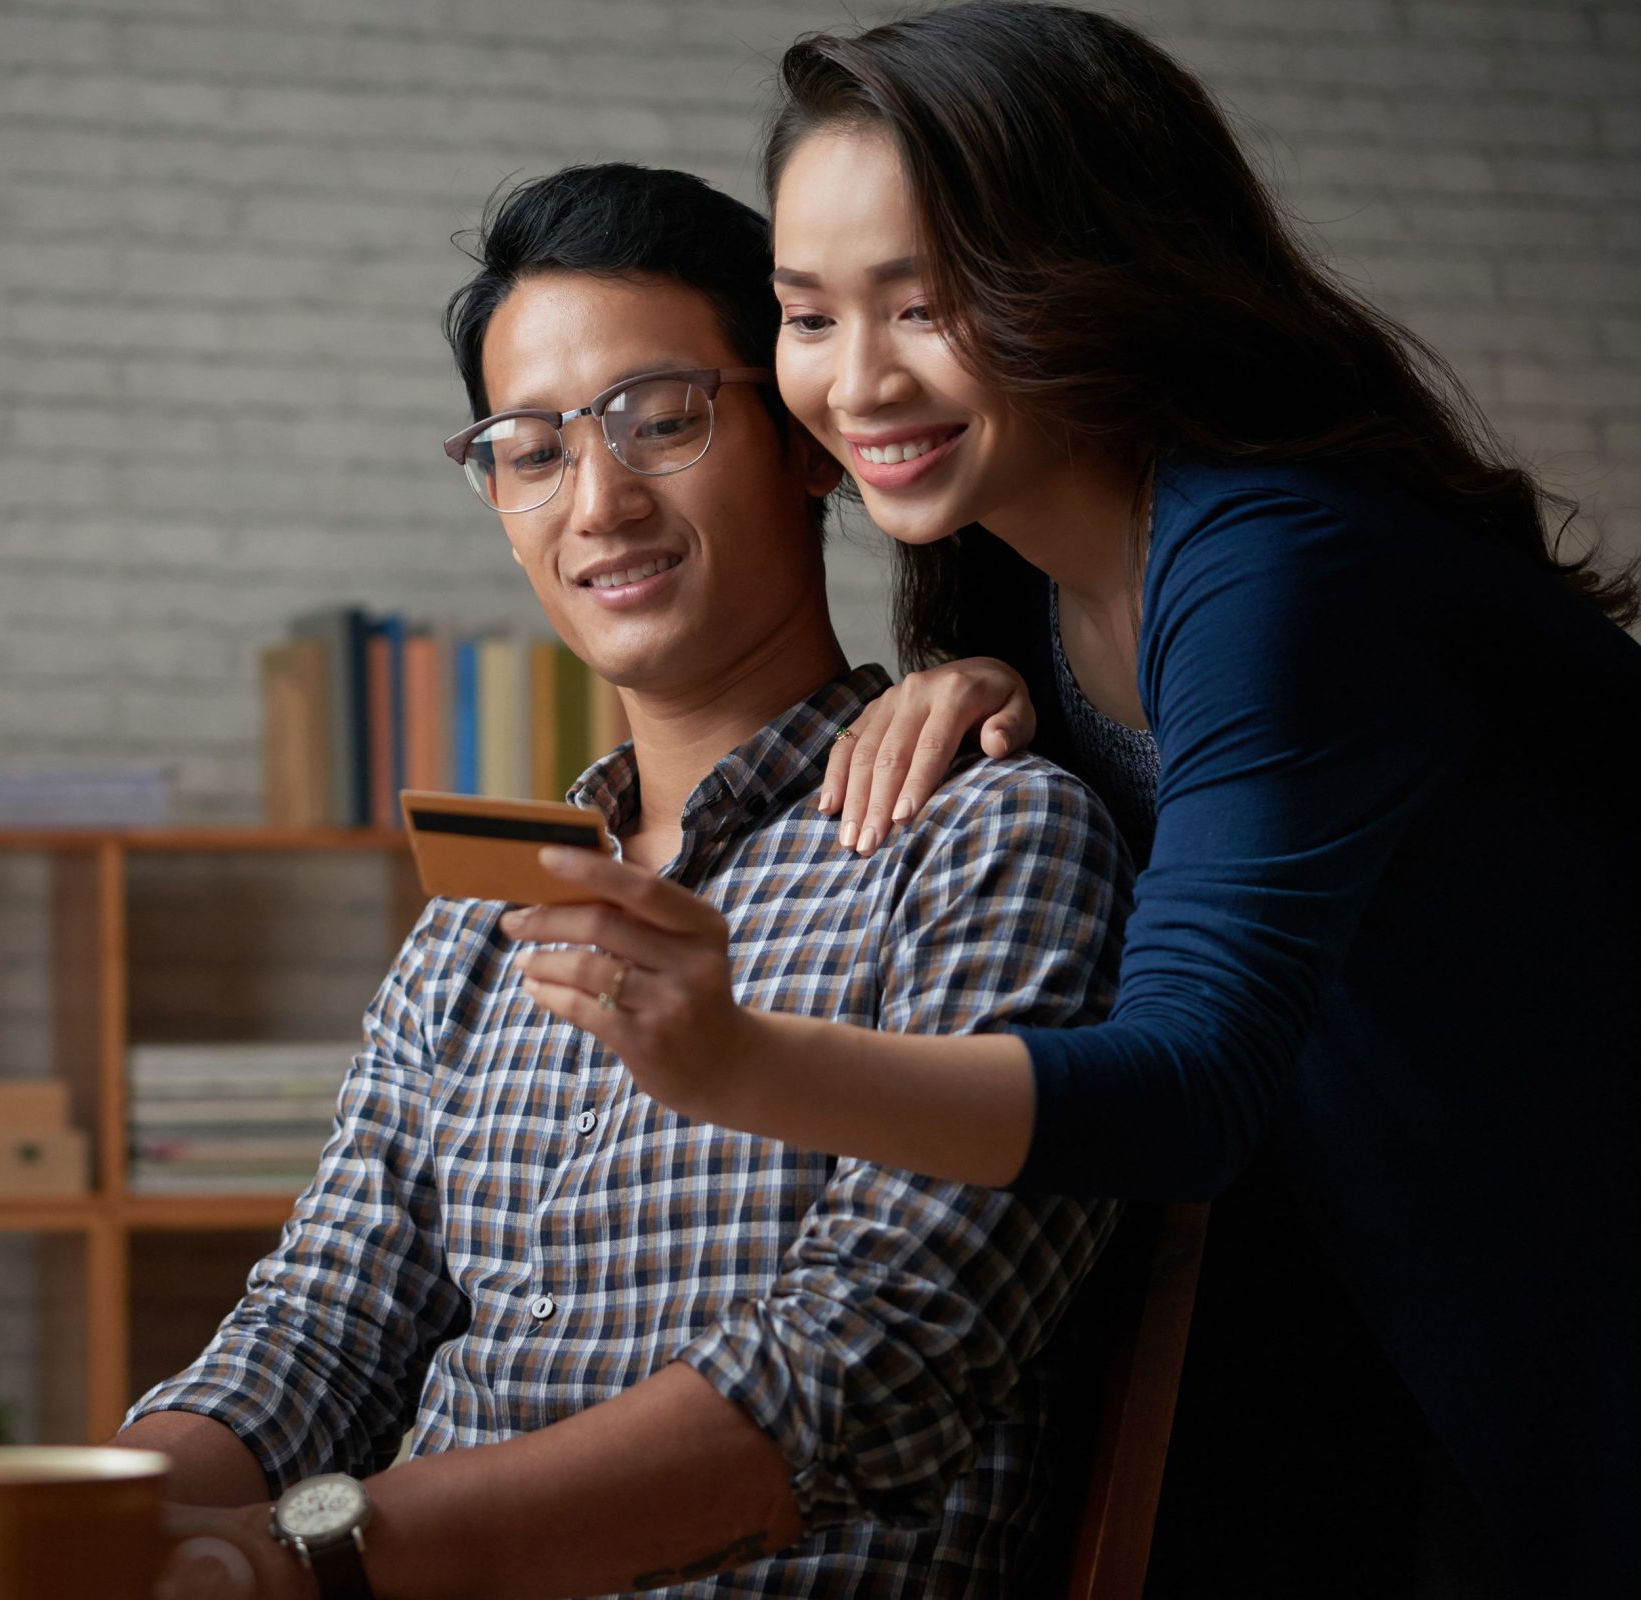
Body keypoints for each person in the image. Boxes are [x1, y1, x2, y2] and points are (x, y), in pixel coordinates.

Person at [515, 7, 1641, 1595]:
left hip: (1557, 1279)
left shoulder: (1278, 562)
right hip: (1375, 1287)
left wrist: (742, 1059)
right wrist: (992, 685)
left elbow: (1189, 1083)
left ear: (1101, 276)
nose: (857, 382)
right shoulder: (1013, 563)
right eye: (810, 316)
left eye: (931, 304)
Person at [103, 162, 1134, 1600]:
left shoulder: (982, 844)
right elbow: (323, 1326)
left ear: (809, 438)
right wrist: (74, 1520)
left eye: (661, 421)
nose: (598, 501)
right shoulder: (480, 917)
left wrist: (317, 1560)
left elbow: (875, 1359)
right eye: (529, 451)